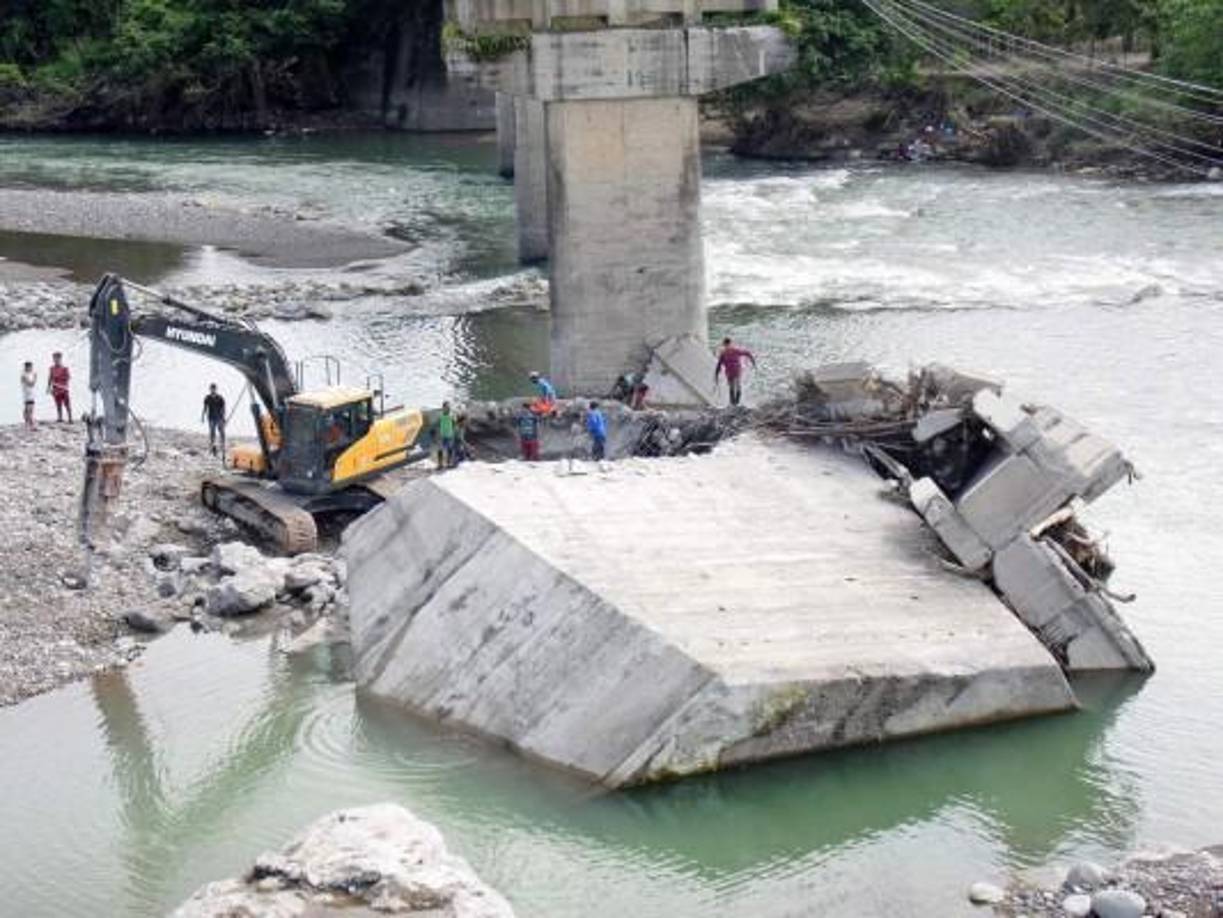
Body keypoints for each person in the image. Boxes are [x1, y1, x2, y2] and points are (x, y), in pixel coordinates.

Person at [714, 337, 757, 407]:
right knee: (738, 386)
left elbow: (719, 365)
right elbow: (748, 353)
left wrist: (716, 375)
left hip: (729, 372)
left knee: (731, 387)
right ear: (730, 343)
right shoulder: (735, 350)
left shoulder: (723, 353)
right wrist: (753, 363)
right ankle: (737, 403)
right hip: (737, 370)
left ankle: (732, 404)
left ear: (724, 344)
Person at [202, 383, 226, 457]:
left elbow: (223, 408)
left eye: (214, 388)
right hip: (211, 418)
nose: (213, 390)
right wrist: (202, 416)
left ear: (216, 389)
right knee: (212, 433)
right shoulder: (207, 398)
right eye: (212, 388)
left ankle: (223, 446)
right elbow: (205, 408)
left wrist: (223, 417)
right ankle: (213, 447)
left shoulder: (220, 398)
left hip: (219, 418)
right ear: (210, 389)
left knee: (222, 432)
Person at [47, 352, 72, 423]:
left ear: (60, 359)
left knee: (67, 404)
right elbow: (50, 378)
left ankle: (70, 418)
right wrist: (48, 387)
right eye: (54, 359)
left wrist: (59, 380)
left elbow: (68, 377)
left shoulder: (65, 368)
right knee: (58, 404)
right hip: (56, 389)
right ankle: (60, 418)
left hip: (64, 389)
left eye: (57, 358)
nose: (56, 360)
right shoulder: (51, 368)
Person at [435, 401, 456, 469]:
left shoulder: (452, 415)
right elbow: (438, 425)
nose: (448, 408)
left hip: (449, 435)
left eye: (449, 407)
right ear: (443, 408)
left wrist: (453, 432)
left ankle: (449, 463)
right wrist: (438, 435)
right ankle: (440, 464)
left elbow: (454, 424)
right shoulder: (440, 415)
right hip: (442, 435)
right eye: (447, 407)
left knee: (449, 449)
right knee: (440, 449)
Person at [20, 361, 36, 430]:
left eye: (31, 367)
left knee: (28, 409)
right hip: (27, 395)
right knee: (29, 409)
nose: (31, 368)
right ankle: (31, 425)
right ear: (26, 367)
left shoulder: (30, 374)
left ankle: (27, 423)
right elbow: (30, 384)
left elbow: (31, 384)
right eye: (29, 367)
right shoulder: (24, 375)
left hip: (31, 394)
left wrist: (34, 378)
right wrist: (35, 378)